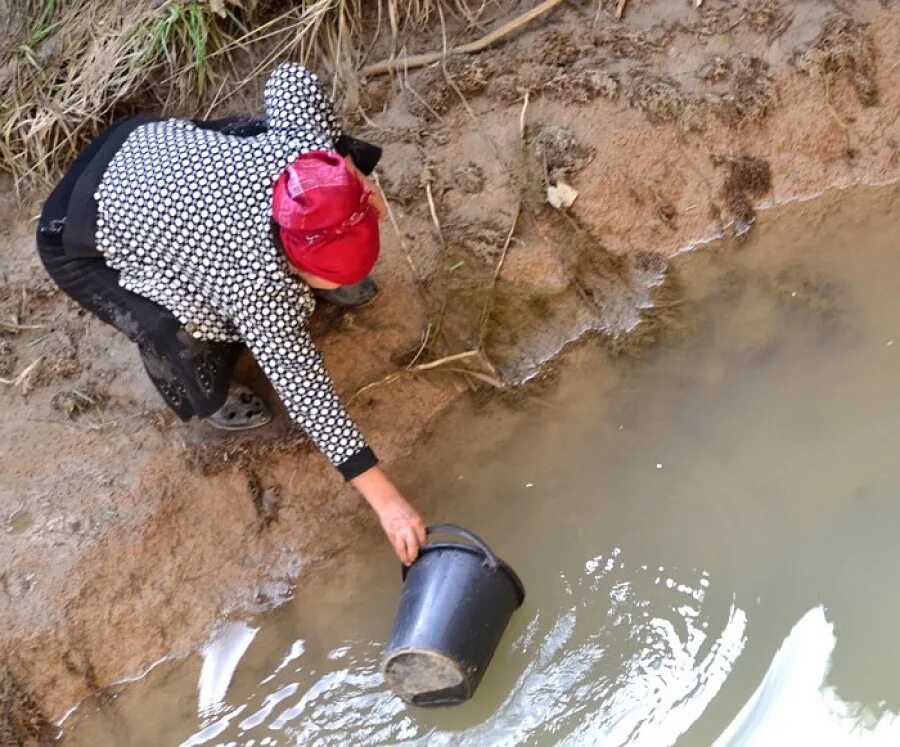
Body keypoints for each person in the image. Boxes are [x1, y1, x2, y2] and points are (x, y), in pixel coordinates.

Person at [35, 62, 427, 565]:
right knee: (184, 324)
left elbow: (291, 77)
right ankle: (209, 399)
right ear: (290, 262)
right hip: (77, 228)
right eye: (331, 276)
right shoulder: (255, 282)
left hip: (146, 151)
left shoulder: (309, 164)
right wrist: (388, 502)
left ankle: (328, 268)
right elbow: (304, 388)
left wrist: (339, 172)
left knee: (265, 136)